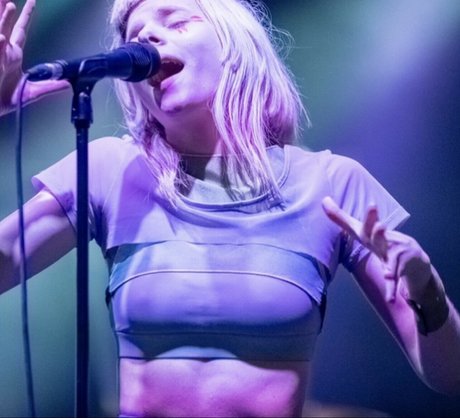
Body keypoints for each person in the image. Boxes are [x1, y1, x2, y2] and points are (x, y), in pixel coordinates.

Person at [1, 0, 460, 416]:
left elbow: (450, 375)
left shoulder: (331, 183)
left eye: (176, 21)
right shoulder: (113, 169)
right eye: (135, 36)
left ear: (234, 46)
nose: (147, 38)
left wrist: (427, 291)